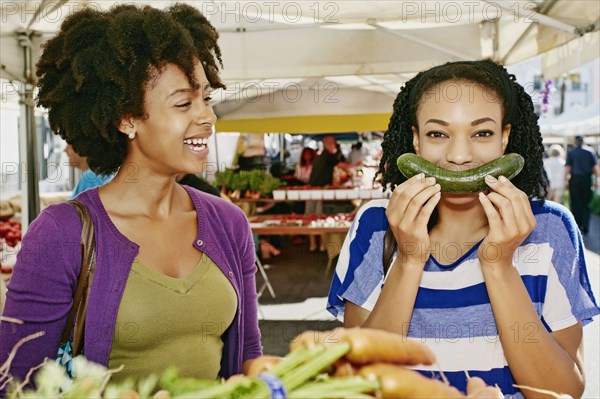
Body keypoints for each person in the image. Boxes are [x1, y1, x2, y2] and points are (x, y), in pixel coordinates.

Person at [0, 3, 262, 388]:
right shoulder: (60, 235)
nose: (207, 117)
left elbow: (247, 359)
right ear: (127, 119)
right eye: (183, 103)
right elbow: (17, 384)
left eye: (206, 98)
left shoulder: (229, 223)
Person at [327, 60, 599, 398]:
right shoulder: (376, 224)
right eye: (438, 133)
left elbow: (561, 392)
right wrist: (409, 259)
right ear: (416, 141)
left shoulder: (549, 228)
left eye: (482, 133)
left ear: (505, 139)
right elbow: (361, 382)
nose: (458, 156)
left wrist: (498, 266)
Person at [307, 136, 358, 252]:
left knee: (310, 217)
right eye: (333, 143)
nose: (334, 145)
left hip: (312, 188)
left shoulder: (321, 156)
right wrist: (356, 165)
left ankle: (313, 245)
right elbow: (342, 166)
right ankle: (320, 245)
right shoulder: (328, 156)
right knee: (317, 217)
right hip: (320, 189)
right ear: (329, 144)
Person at [564, 135, 599, 235]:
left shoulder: (572, 152)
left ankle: (577, 226)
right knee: (586, 203)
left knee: (575, 203)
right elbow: (596, 168)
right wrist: (597, 180)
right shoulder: (590, 151)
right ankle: (586, 227)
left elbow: (567, 168)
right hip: (587, 179)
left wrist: (565, 180)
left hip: (575, 179)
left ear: (575, 142)